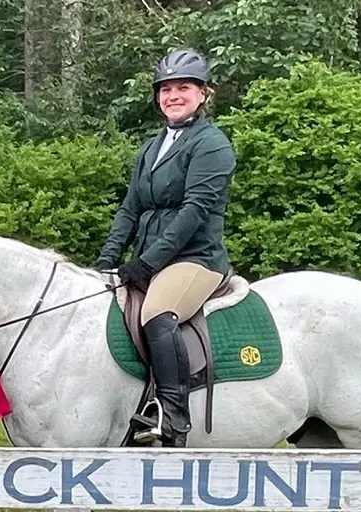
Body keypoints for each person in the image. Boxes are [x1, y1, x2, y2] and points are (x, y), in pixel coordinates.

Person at [91, 48, 237, 448]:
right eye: (166, 89)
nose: (173, 95)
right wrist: (108, 257)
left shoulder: (212, 144)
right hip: (152, 258)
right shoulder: (151, 147)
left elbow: (193, 212)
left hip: (195, 259)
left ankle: (171, 415)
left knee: (158, 311)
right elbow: (131, 206)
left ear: (203, 94)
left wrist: (145, 262)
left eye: (184, 88)